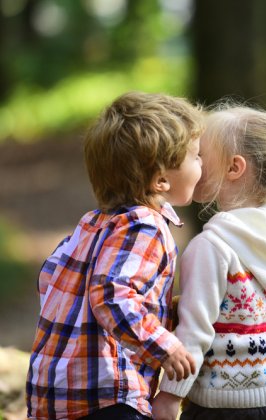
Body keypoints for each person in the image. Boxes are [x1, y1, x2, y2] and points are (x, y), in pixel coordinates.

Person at [26, 91, 205, 420]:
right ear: (161, 180)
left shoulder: (92, 224)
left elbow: (49, 278)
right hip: (108, 395)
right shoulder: (145, 227)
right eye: (195, 156)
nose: (202, 163)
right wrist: (162, 345)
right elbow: (110, 295)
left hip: (52, 391)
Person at [152, 103, 266, 420]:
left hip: (222, 405)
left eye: (199, 155)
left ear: (234, 168)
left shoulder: (211, 247)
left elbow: (195, 332)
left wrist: (169, 396)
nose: (192, 162)